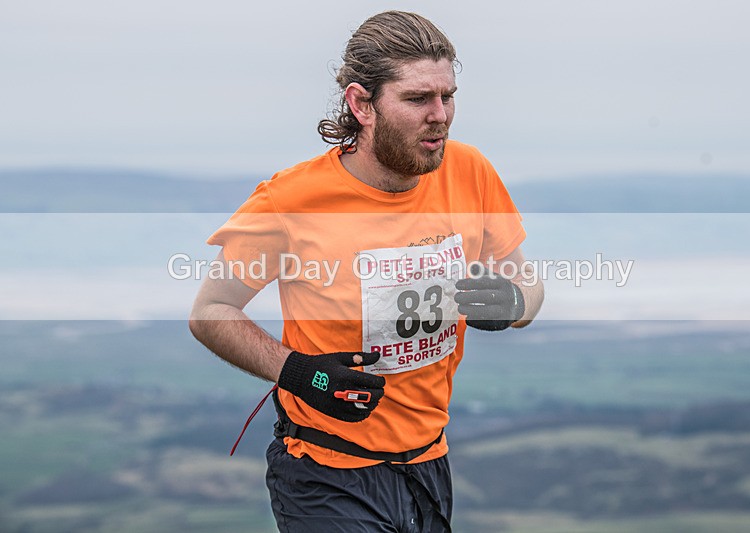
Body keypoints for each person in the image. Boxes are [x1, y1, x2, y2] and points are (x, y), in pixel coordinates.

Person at [189, 10, 544, 533]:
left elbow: (530, 287)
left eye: (448, 96)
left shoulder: (469, 171)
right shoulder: (290, 201)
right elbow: (210, 312)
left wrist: (514, 304)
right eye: (418, 99)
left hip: (427, 462)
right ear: (362, 104)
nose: (440, 115)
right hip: (324, 473)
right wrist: (300, 375)